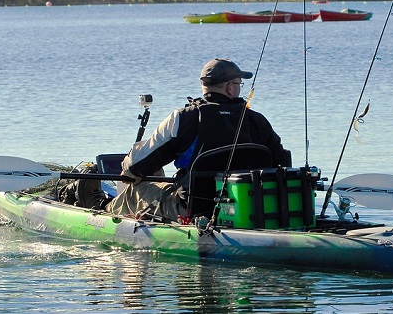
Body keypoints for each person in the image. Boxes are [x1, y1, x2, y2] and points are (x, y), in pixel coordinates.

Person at [105, 57, 289, 222]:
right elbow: (282, 164)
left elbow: (136, 166)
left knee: (136, 189)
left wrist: (128, 168)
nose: (240, 88)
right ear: (230, 88)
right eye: (239, 83)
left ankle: (101, 211)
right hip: (251, 207)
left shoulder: (183, 118)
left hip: (193, 210)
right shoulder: (258, 120)